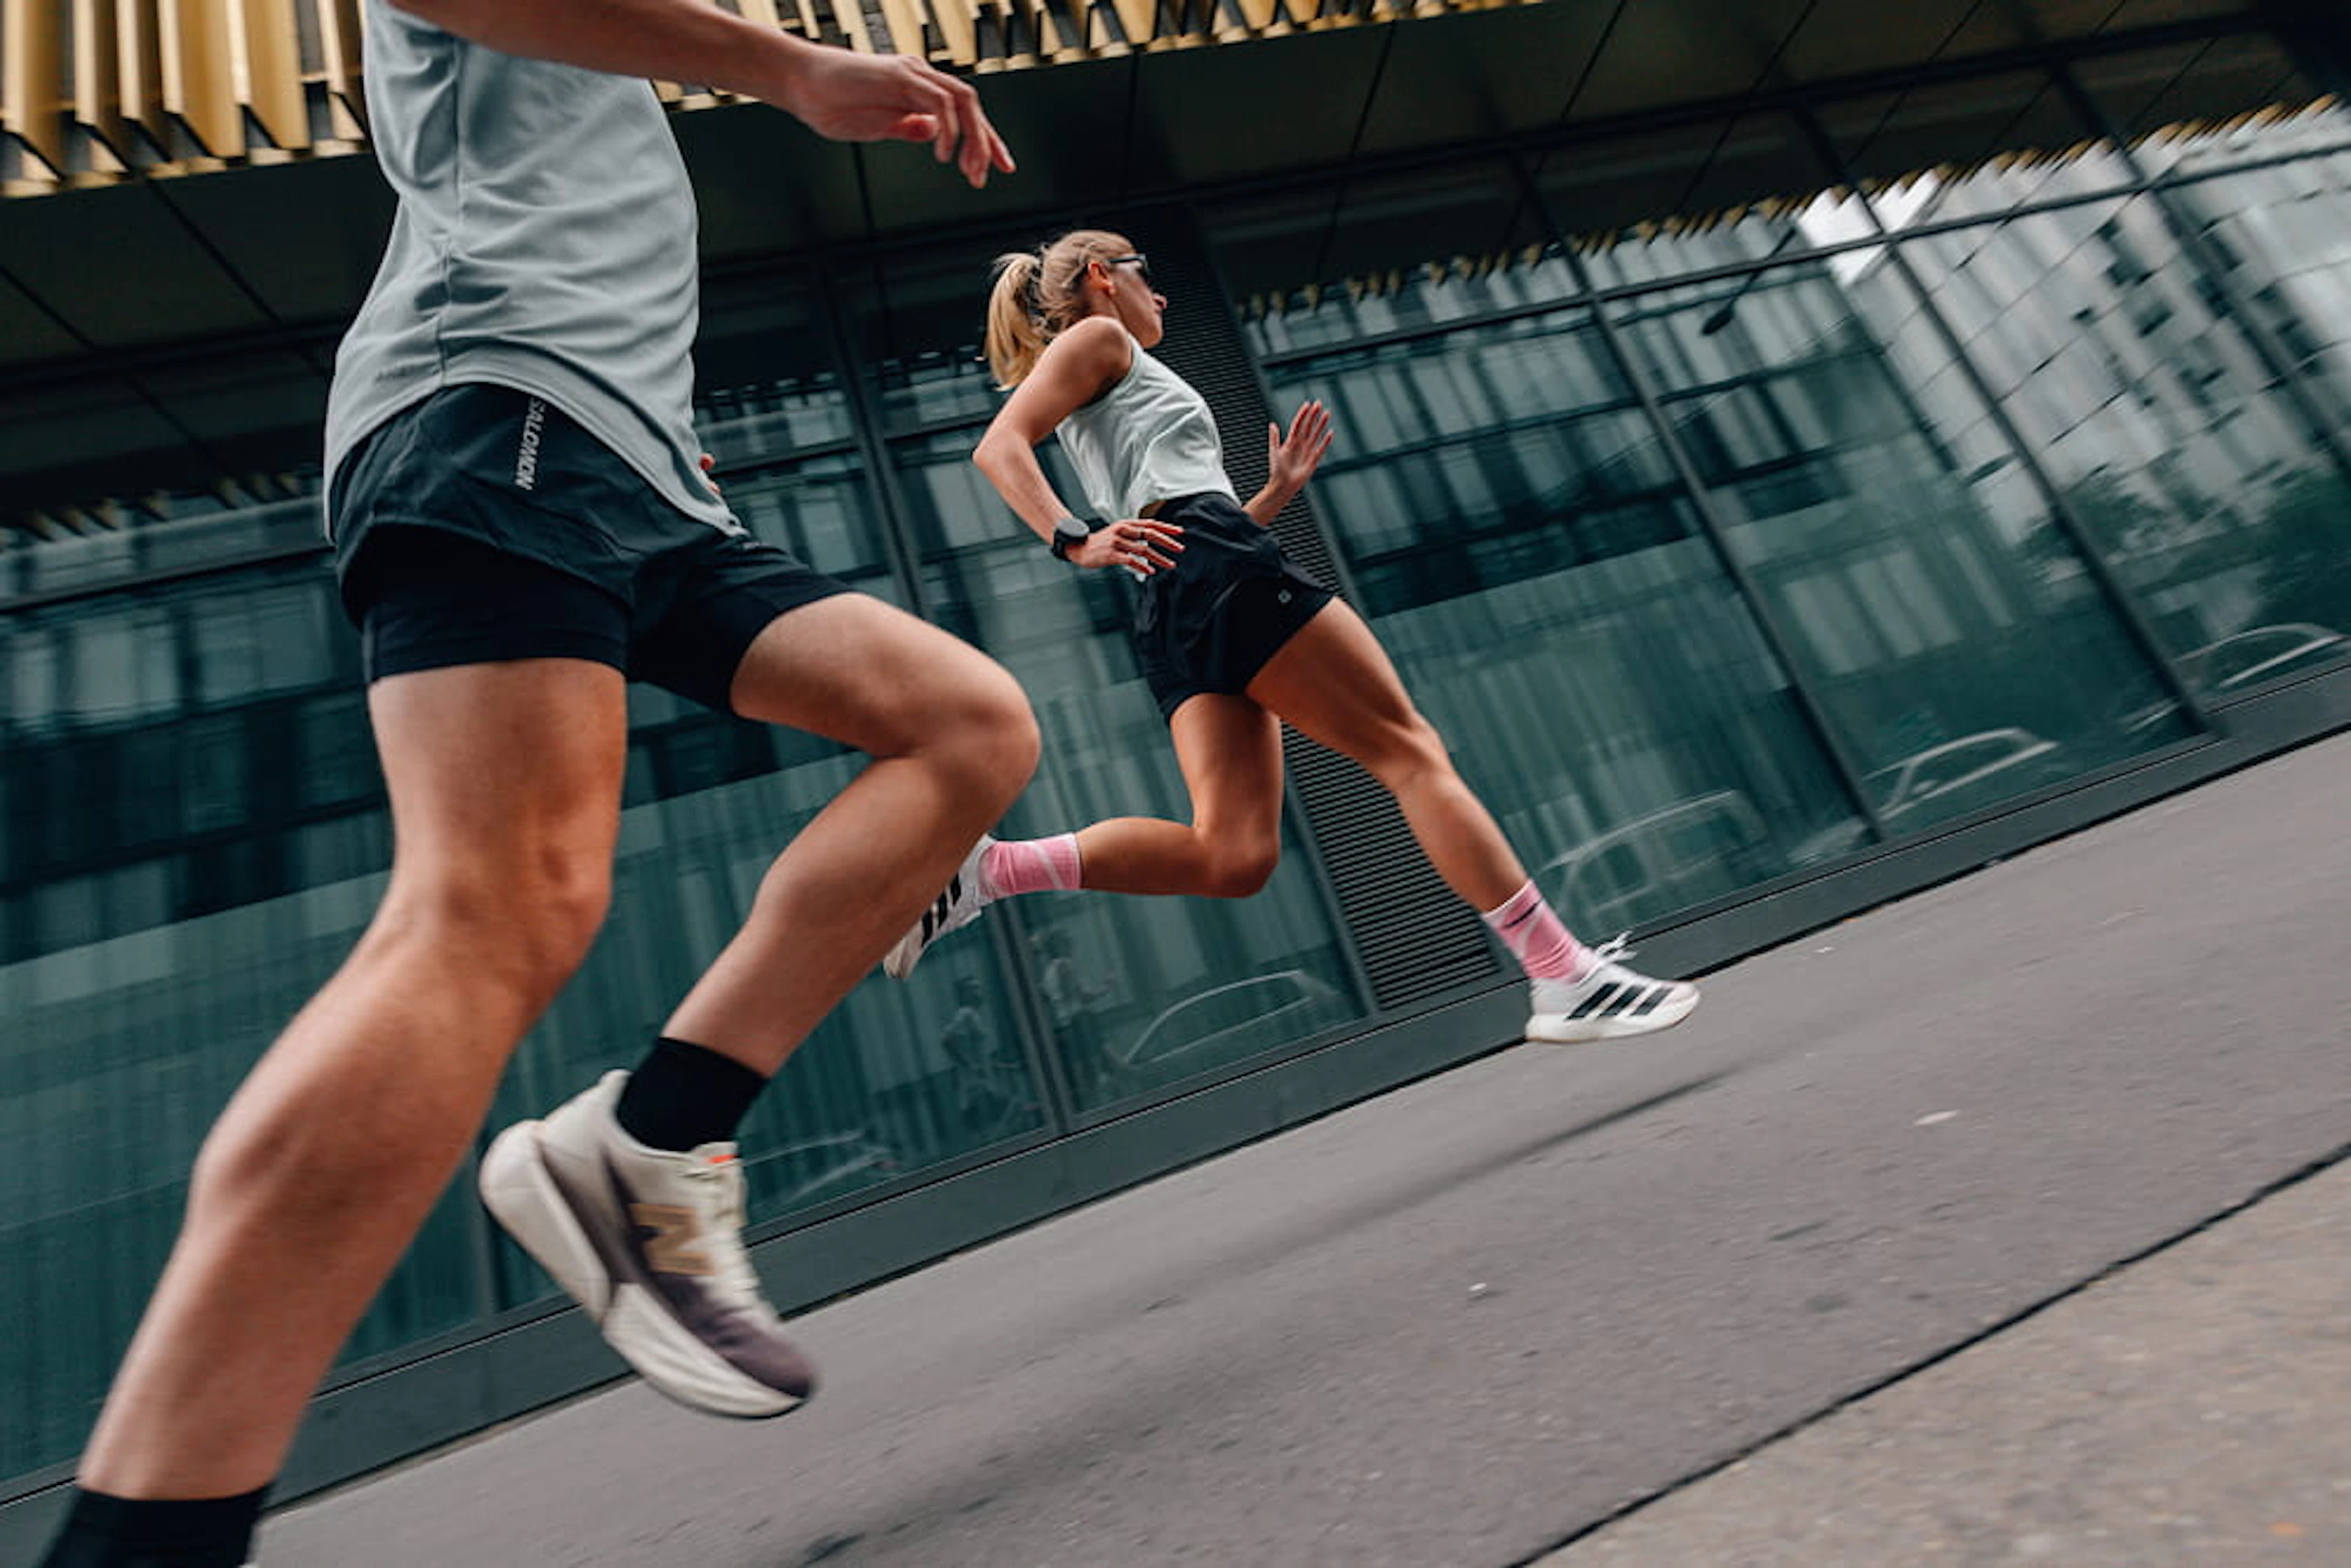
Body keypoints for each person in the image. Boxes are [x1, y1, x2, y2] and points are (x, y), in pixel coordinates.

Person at [37, 6, 1032, 1567]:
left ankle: (645, 1141)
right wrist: (784, 66)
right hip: (493, 409)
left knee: (963, 726)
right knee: (491, 911)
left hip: (630, 470)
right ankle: (140, 1541)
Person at [883, 229, 1699, 1048]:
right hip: (1204, 567)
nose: (1160, 296)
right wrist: (1073, 539)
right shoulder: (1098, 337)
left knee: (1233, 855)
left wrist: (1270, 497)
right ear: (1103, 276)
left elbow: (1170, 507)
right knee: (1409, 752)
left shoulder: (1103, 368)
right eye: (1146, 274)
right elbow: (997, 447)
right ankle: (1562, 973)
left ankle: (990, 871)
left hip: (1173, 595)